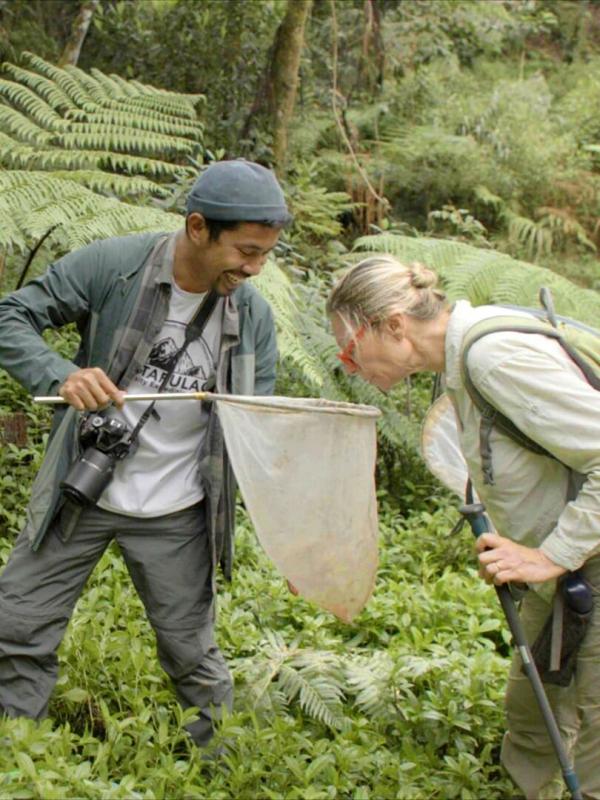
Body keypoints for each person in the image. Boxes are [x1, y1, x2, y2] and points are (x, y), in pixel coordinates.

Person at [0, 159, 292, 750]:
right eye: (245, 251)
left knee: (192, 651)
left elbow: (259, 413)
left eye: (265, 254)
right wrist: (61, 374)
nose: (254, 268)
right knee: (16, 624)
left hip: (180, 507)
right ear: (196, 227)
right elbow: (11, 315)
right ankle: (11, 748)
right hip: (84, 485)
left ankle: (219, 760)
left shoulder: (252, 313)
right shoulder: (115, 265)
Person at [326, 254, 600, 800]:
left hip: (586, 560)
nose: (349, 366)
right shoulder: (462, 362)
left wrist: (552, 555)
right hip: (565, 567)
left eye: (351, 348)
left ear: (395, 326)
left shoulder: (492, 358)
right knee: (533, 713)